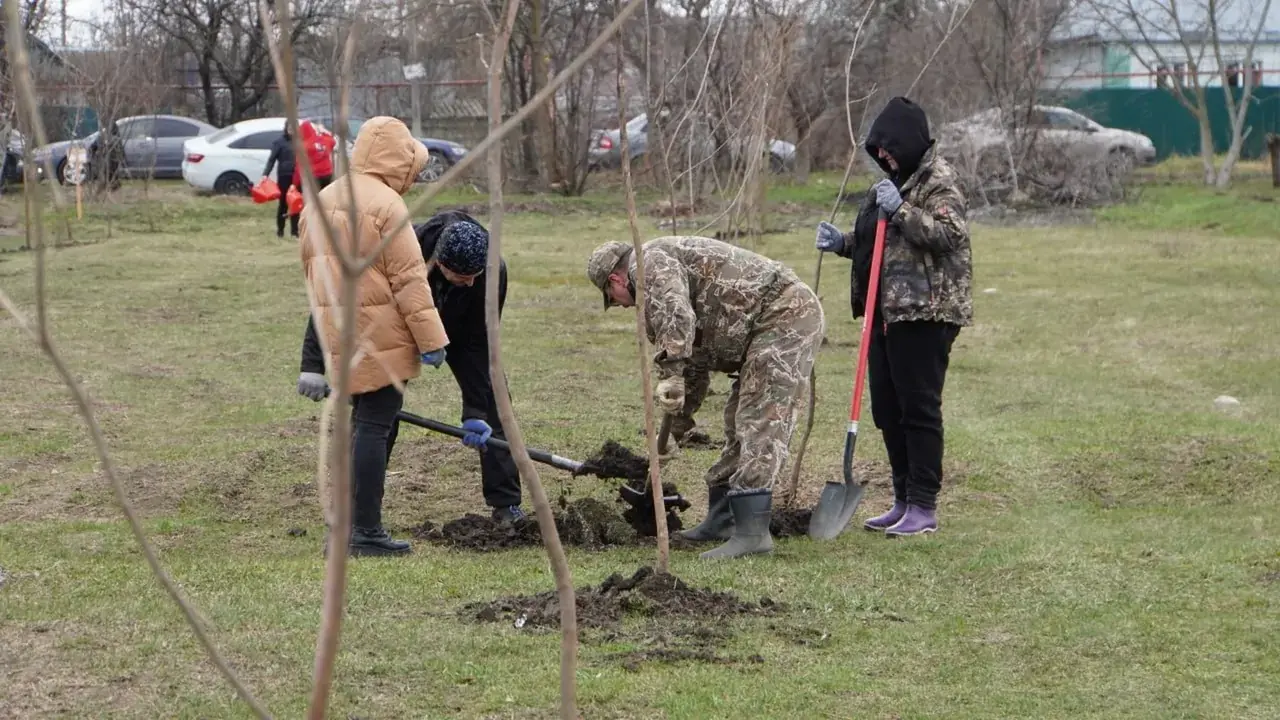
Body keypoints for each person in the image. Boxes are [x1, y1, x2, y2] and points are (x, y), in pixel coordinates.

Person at [586, 236, 825, 560]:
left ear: (615, 279)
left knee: (760, 418)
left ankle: (753, 534)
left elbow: (677, 317)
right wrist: (677, 427)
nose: (622, 306)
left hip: (785, 316)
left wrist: (670, 372)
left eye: (612, 299)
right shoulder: (659, 285)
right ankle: (722, 519)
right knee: (734, 420)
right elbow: (694, 365)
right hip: (759, 330)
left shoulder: (650, 263)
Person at [297, 209, 527, 523]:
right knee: (378, 412)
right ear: (441, 264)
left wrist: (474, 410)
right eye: (463, 277)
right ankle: (355, 506)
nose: (472, 283)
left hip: (462, 330)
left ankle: (506, 504)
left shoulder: (491, 271)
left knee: (495, 405)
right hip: (396, 329)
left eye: (476, 275)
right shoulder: (392, 252)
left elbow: (480, 341)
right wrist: (312, 364)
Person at [814, 95, 972, 537]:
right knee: (887, 408)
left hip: (926, 313)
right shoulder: (895, 180)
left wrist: (900, 209)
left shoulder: (939, 181)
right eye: (877, 150)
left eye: (886, 148)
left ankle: (924, 506)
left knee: (918, 409)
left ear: (905, 142)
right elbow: (881, 242)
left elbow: (948, 236)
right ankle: (902, 500)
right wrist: (844, 242)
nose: (881, 156)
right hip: (886, 314)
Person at [297, 116, 450, 558]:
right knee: (375, 426)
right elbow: (409, 282)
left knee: (361, 424)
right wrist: (432, 340)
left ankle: (344, 527)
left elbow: (314, 279)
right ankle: (365, 532)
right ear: (397, 161)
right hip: (380, 332)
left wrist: (315, 353)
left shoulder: (322, 200)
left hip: (338, 332)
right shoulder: (387, 206)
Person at [262, 125, 297, 238]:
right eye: (290, 128)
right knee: (283, 204)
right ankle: (280, 230)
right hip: (284, 176)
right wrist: (265, 174)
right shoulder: (279, 142)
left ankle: (295, 231)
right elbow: (271, 160)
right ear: (286, 129)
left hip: (297, 177)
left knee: (296, 203)